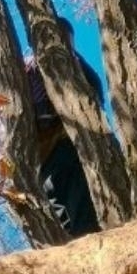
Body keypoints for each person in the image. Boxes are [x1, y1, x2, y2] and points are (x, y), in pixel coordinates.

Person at [26, 17, 103, 238]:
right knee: (70, 204)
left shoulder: (77, 67)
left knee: (75, 204)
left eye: (69, 42)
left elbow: (96, 94)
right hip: (51, 150)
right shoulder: (27, 69)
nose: (65, 46)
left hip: (64, 148)